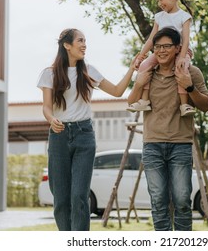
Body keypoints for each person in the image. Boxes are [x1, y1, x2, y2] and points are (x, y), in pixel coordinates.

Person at [37, 28, 135, 231]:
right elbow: (46, 107)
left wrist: (132, 68)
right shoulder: (49, 73)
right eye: (80, 41)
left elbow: (117, 91)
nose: (84, 45)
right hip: (59, 136)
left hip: (84, 136)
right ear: (67, 45)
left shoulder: (88, 70)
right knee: (61, 199)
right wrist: (51, 118)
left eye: (85, 41)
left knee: (79, 196)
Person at [127, 27, 208, 231]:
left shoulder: (191, 72)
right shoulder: (147, 72)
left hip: (180, 145)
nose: (161, 51)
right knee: (158, 201)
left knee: (182, 200)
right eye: (157, 47)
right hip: (152, 145)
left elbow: (206, 105)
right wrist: (138, 85)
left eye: (166, 46)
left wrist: (189, 87)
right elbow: (130, 102)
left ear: (177, 48)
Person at [126, 0, 196, 116]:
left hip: (181, 50)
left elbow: (186, 39)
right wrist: (141, 55)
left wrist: (181, 57)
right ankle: (144, 101)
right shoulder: (159, 17)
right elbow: (152, 39)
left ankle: (184, 105)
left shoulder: (184, 17)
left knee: (181, 69)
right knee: (145, 66)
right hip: (162, 51)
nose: (159, 3)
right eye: (158, 0)